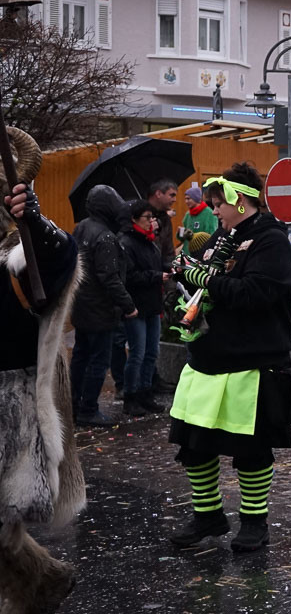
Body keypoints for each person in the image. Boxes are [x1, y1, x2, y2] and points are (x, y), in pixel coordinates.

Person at [168, 162, 291, 553]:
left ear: (240, 200)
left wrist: (205, 280)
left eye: (218, 203)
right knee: (195, 447)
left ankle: (255, 524)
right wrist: (184, 280)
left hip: (250, 364)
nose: (215, 210)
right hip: (207, 361)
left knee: (252, 451)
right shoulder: (221, 237)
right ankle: (208, 515)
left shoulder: (270, 240)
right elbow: (202, 279)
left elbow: (257, 293)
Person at [0, 130, 84, 614]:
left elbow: (58, 266)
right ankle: (43, 580)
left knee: (6, 518)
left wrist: (33, 219)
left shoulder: (25, 243)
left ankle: (39, 582)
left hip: (15, 395)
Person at [70, 184, 138, 426]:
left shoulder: (81, 228)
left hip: (82, 306)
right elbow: (109, 277)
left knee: (80, 357)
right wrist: (128, 305)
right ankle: (88, 409)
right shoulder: (106, 236)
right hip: (100, 310)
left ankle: (73, 405)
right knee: (98, 361)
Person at [119, 199, 169, 417]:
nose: (151, 221)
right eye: (147, 217)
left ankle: (146, 392)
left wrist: (170, 268)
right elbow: (130, 276)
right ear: (134, 219)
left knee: (151, 353)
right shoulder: (127, 243)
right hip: (136, 306)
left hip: (152, 305)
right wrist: (157, 276)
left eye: (152, 217)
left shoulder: (150, 241)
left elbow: (156, 265)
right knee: (137, 353)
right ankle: (130, 396)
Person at [147, 179, 178, 270]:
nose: (175, 200)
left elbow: (169, 252)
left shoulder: (165, 218)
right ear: (159, 194)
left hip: (162, 274)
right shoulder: (139, 216)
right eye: (172, 195)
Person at [179, 185, 218, 256]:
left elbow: (213, 236)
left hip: (201, 254)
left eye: (188, 199)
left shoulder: (209, 214)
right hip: (187, 254)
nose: (186, 201)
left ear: (196, 199)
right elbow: (182, 239)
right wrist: (180, 233)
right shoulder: (188, 215)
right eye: (185, 199)